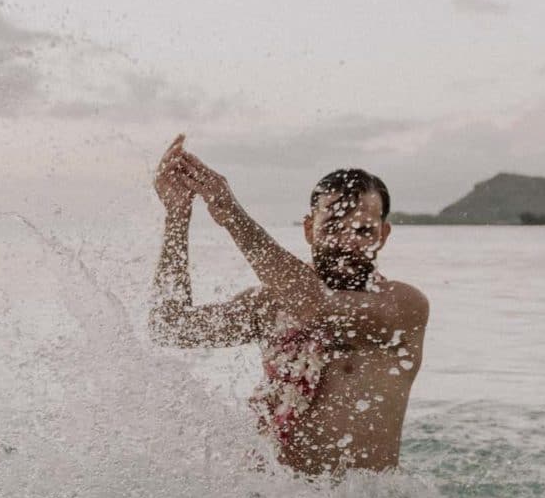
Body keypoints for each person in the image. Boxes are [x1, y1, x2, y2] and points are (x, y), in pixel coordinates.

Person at [149, 136, 428, 475]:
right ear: (310, 229)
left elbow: (315, 307)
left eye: (363, 230)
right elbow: (170, 327)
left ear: (382, 236)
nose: (347, 242)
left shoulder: (402, 306)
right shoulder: (269, 305)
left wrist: (229, 212)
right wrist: (177, 215)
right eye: (333, 227)